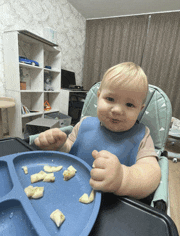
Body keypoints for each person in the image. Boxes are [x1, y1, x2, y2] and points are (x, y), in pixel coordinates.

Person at [34, 62, 161, 199]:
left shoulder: (142, 135)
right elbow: (70, 150)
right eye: (110, 99)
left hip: (114, 206)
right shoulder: (84, 124)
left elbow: (152, 173)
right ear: (98, 96)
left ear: (140, 110)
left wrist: (123, 178)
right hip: (68, 193)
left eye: (130, 105)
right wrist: (59, 146)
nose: (117, 110)